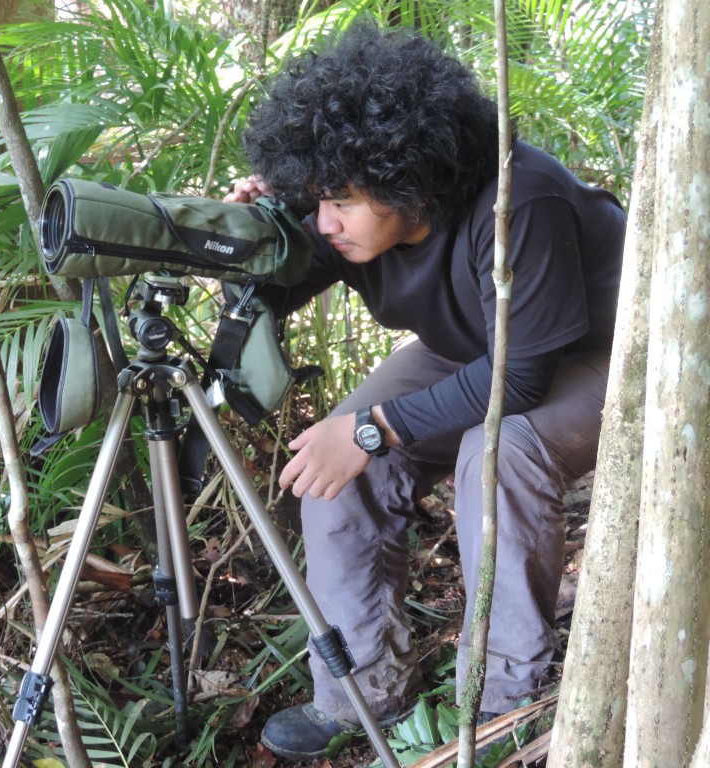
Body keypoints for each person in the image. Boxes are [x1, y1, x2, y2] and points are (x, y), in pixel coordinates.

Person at [224, 23, 627, 761]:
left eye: (341, 199)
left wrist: (376, 429)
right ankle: (360, 691)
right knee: (334, 462)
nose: (326, 221)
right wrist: (253, 235)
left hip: (608, 352)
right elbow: (269, 296)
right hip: (478, 350)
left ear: (406, 174)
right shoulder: (342, 223)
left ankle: (508, 703)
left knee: (498, 454)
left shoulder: (519, 199)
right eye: (316, 198)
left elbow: (524, 377)